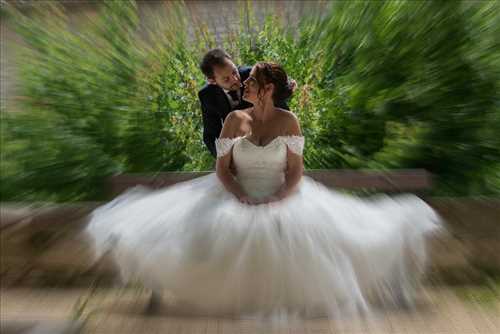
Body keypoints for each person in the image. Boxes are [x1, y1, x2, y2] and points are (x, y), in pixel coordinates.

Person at [86, 62, 441, 319]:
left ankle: (282, 302)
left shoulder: (289, 121)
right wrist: (239, 195)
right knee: (231, 227)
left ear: (267, 89)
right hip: (236, 192)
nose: (244, 84)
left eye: (251, 81)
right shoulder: (233, 120)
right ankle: (245, 302)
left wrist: (279, 198)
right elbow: (222, 170)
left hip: (281, 192)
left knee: (295, 228)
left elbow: (296, 171)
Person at [198, 49, 290, 157]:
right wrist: (225, 159)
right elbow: (211, 135)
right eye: (226, 79)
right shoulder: (207, 95)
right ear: (212, 81)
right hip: (238, 148)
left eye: (234, 71)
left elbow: (279, 102)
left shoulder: (252, 75)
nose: (235, 79)